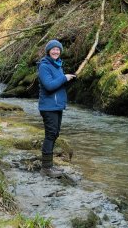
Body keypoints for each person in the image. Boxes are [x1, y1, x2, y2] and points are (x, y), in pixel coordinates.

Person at [37, 39, 75, 177]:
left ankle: (49, 166)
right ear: (48, 51)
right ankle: (46, 168)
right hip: (48, 107)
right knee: (50, 135)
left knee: (55, 134)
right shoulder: (44, 66)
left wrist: (68, 80)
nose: (55, 51)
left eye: (58, 49)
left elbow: (58, 85)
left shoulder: (58, 65)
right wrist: (64, 78)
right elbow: (49, 86)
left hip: (57, 106)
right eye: (53, 49)